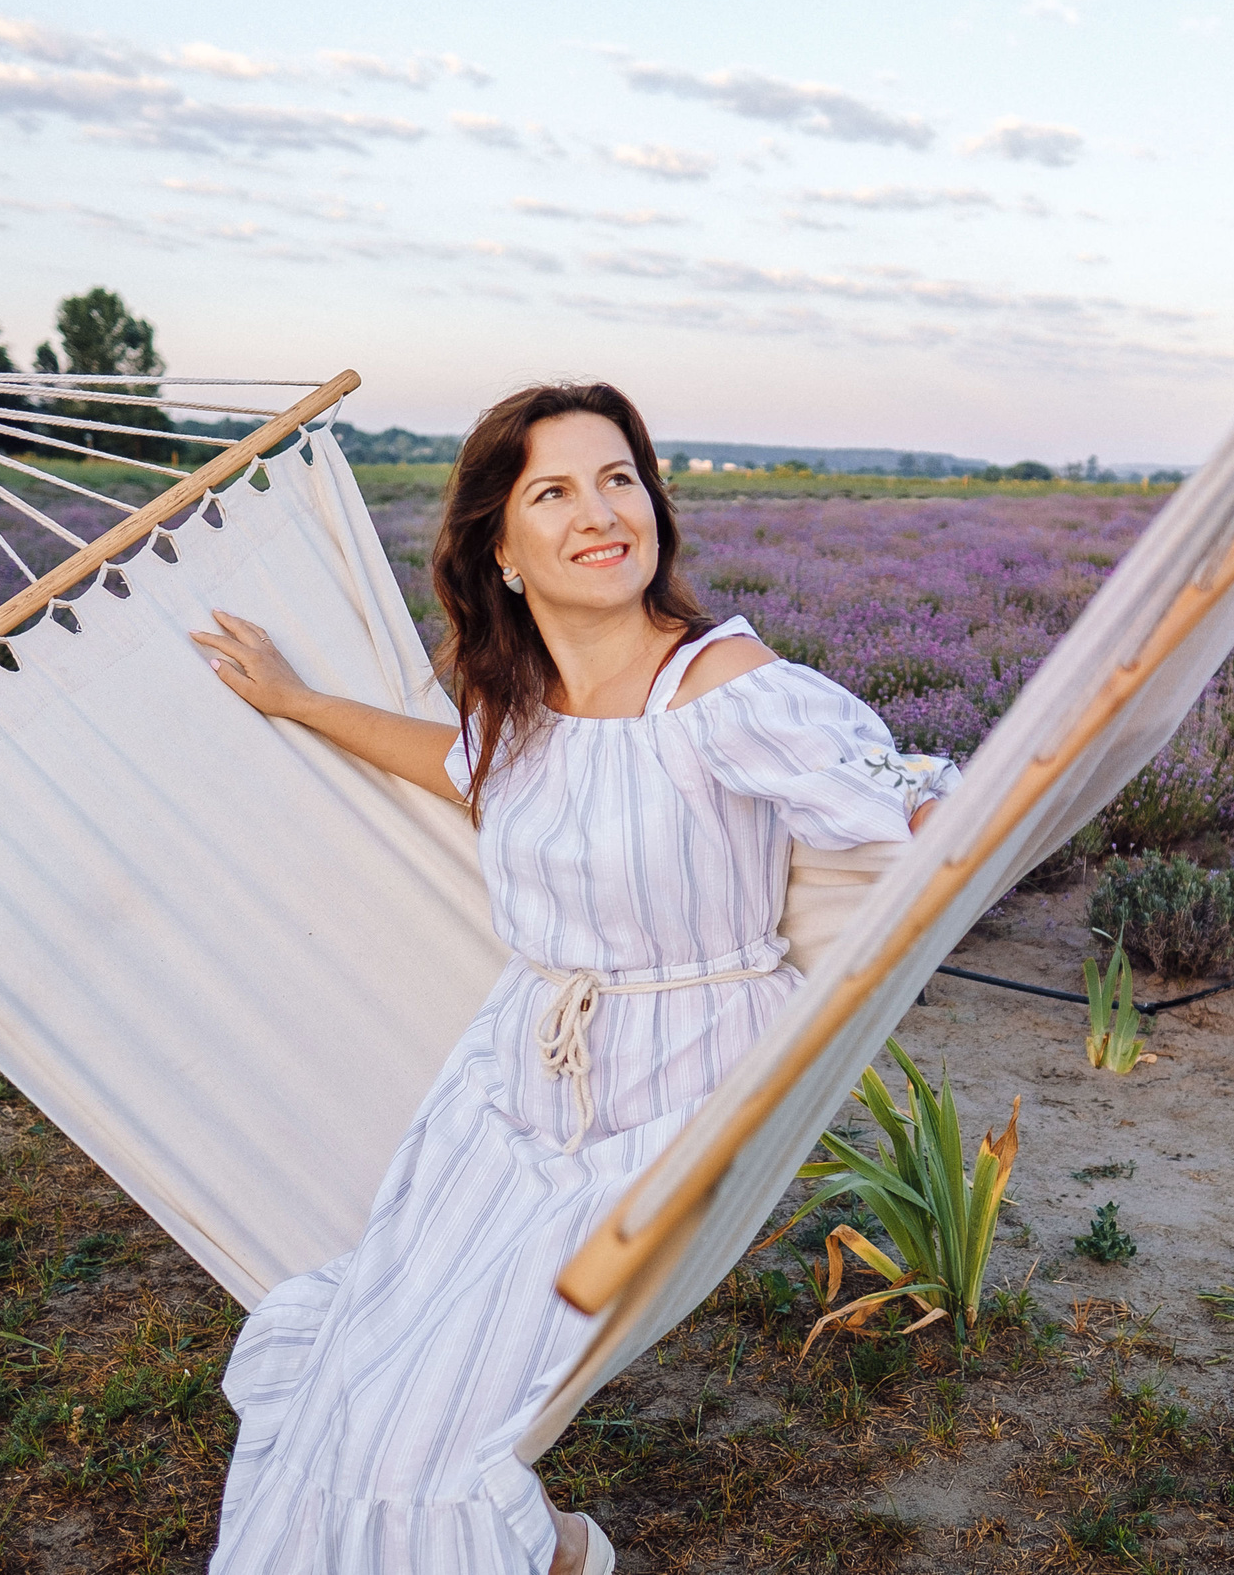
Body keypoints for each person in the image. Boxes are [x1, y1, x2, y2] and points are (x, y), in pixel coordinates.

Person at [190, 383, 955, 1574]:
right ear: (500, 546)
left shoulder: (719, 686)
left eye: (618, 479)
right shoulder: (516, 702)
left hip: (675, 1103)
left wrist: (980, 810)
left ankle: (551, 1554)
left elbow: (898, 801)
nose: (602, 512)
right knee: (356, 1377)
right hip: (507, 1091)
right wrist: (299, 701)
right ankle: (558, 1555)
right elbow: (465, 771)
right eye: (555, 491)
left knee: (435, 1442)